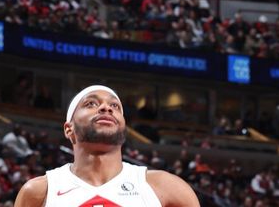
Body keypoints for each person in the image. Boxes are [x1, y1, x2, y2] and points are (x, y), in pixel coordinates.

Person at [14, 85, 199, 206]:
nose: (106, 108)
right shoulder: (38, 193)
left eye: (115, 106)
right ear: (69, 129)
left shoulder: (167, 188)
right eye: (91, 103)